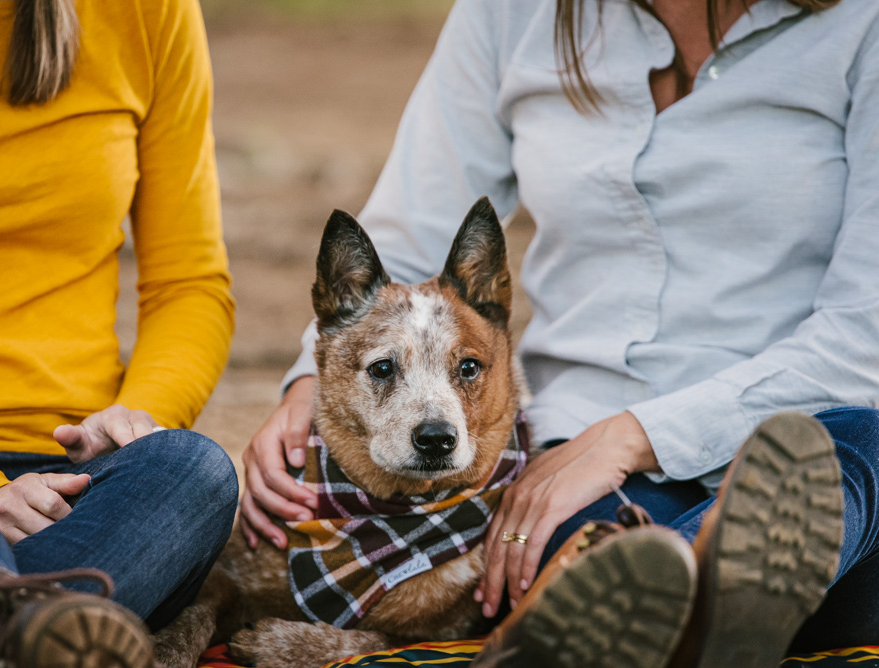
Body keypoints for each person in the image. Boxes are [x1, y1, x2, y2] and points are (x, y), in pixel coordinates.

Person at [240, 0, 879, 665]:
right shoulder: (512, 14)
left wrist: (634, 436)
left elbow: (865, 335)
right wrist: (315, 377)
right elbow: (411, 230)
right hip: (574, 460)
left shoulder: (864, 25)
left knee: (867, 446)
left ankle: (675, 610)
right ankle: (706, 608)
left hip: (815, 448)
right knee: (585, 544)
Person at [0, 0, 238, 665]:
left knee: (196, 470)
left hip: (67, 483)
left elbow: (189, 284)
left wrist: (137, 417)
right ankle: (17, 627)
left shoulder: (147, 11)